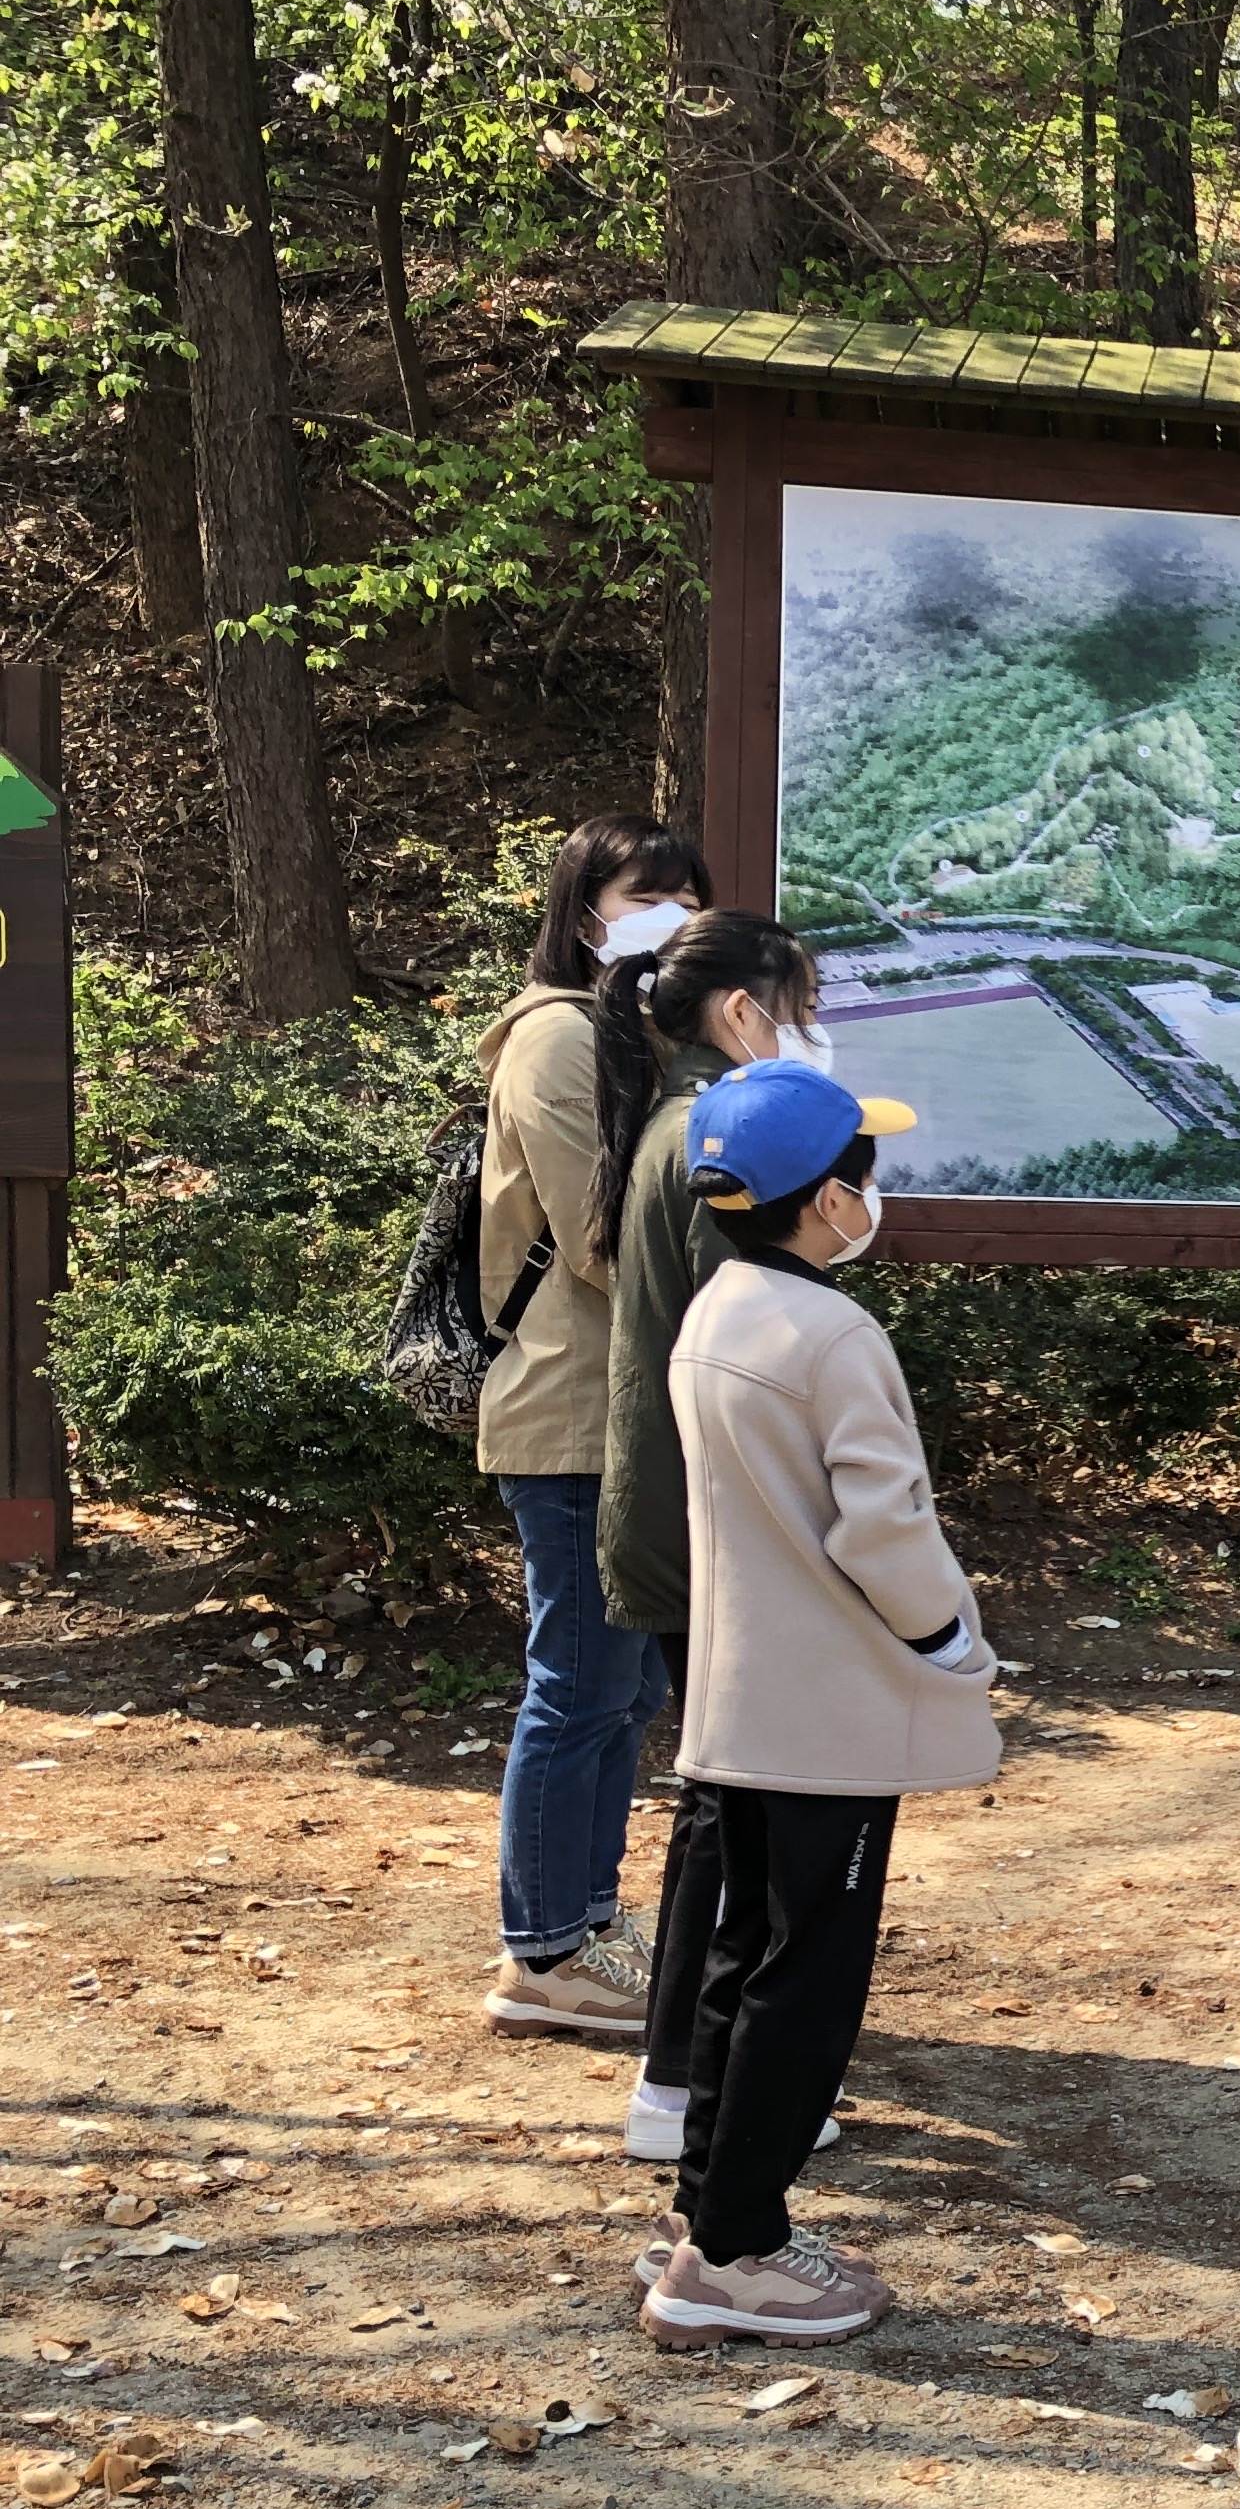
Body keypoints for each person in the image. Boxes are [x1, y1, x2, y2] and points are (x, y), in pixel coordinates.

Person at [638, 1062, 998, 2347]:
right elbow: (885, 1528)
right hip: (830, 1710)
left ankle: (704, 2212)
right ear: (827, 1197)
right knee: (810, 1982)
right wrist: (953, 1641)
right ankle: (738, 2250)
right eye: (862, 1172)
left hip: (740, 1701)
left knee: (744, 1961)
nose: (871, 1193)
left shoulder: (717, 1309)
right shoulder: (834, 1335)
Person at [589, 910, 832, 2162]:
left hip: (683, 1510)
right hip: (712, 1521)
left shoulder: (676, 1122)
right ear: (744, 1013)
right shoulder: (713, 1140)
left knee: (718, 1797)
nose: (806, 1031)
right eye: (795, 1005)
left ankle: (692, 2077)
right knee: (727, 1804)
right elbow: (758, 1339)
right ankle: (688, 2082)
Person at [477, 814, 711, 2041]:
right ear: (585, 914)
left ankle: (584, 1919)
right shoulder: (558, 1038)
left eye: (687, 893)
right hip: (574, 1409)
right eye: (645, 893)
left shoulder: (636, 1038)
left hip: (633, 1408)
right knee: (578, 1686)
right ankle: (541, 1952)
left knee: (620, 1694)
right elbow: (599, 1238)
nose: (669, 910)